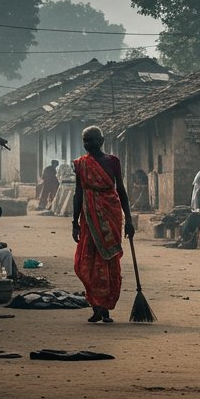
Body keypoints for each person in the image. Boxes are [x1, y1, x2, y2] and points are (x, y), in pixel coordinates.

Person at [71, 126, 135, 324]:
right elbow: (78, 193)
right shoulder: (81, 164)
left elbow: (121, 190)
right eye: (85, 140)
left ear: (102, 140)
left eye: (92, 140)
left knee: (109, 261)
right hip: (88, 217)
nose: (88, 144)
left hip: (111, 214)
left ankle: (105, 308)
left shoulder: (112, 162)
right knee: (86, 262)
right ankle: (95, 306)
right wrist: (74, 222)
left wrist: (130, 220)